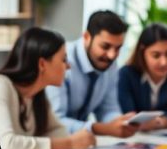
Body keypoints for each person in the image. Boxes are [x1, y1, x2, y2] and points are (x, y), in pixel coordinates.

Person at [47, 10, 138, 138]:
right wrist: (100, 128)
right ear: (87, 37)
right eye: (105, 47)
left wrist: (120, 123)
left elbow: (108, 109)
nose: (112, 55)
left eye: (118, 48)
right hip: (55, 140)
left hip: (81, 142)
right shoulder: (61, 61)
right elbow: (56, 122)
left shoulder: (110, 64)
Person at [117, 23, 167, 131]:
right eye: (156, 55)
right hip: (134, 137)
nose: (163, 62)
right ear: (142, 53)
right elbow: (128, 115)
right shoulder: (127, 74)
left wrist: (160, 122)